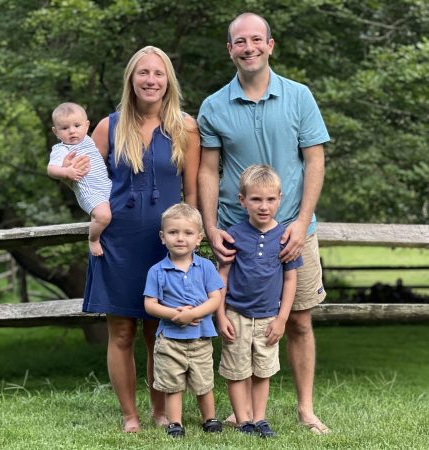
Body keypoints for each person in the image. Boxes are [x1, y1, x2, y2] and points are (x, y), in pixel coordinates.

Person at [197, 13, 331, 434]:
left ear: (271, 45)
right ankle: (244, 409)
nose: (249, 47)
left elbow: (315, 160)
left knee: (300, 320)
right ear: (230, 50)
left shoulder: (299, 96)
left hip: (293, 230)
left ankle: (306, 409)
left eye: (257, 39)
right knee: (235, 321)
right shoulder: (214, 106)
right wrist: (210, 226)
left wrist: (301, 220)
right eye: (240, 41)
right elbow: (206, 171)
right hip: (236, 236)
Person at [71, 46, 200, 433]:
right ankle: (130, 416)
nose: (150, 80)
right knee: (123, 330)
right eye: (143, 73)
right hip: (118, 242)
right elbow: (88, 183)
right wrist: (94, 215)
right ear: (131, 78)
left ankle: (161, 412)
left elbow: (191, 193)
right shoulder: (108, 127)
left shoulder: (186, 128)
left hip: (165, 243)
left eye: (158, 74)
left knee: (156, 331)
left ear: (168, 81)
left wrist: (190, 243)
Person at [217, 165, 302, 438]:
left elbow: (290, 280)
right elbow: (223, 276)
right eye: (255, 199)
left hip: (268, 317)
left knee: (262, 370)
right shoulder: (234, 235)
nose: (263, 206)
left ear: (280, 199)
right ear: (242, 201)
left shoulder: (286, 237)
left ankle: (260, 418)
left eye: (269, 199)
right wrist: (220, 315)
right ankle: (243, 421)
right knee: (237, 369)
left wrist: (282, 319)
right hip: (236, 314)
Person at [144, 203, 224, 438]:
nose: (180, 238)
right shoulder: (157, 271)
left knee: (203, 381)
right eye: (173, 232)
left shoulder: (206, 267)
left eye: (188, 233)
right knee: (172, 384)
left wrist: (194, 314)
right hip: (169, 340)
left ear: (199, 238)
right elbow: (150, 305)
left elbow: (216, 298)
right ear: (162, 237)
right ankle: (175, 423)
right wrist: (175, 316)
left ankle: (209, 418)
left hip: (200, 338)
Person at [48, 102, 112, 256]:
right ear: (55, 131)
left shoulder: (89, 141)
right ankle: (93, 239)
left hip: (107, 187)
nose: (72, 131)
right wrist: (66, 172)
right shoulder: (61, 149)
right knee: (104, 216)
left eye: (77, 125)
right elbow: (51, 169)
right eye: (64, 128)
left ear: (87, 125)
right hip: (90, 191)